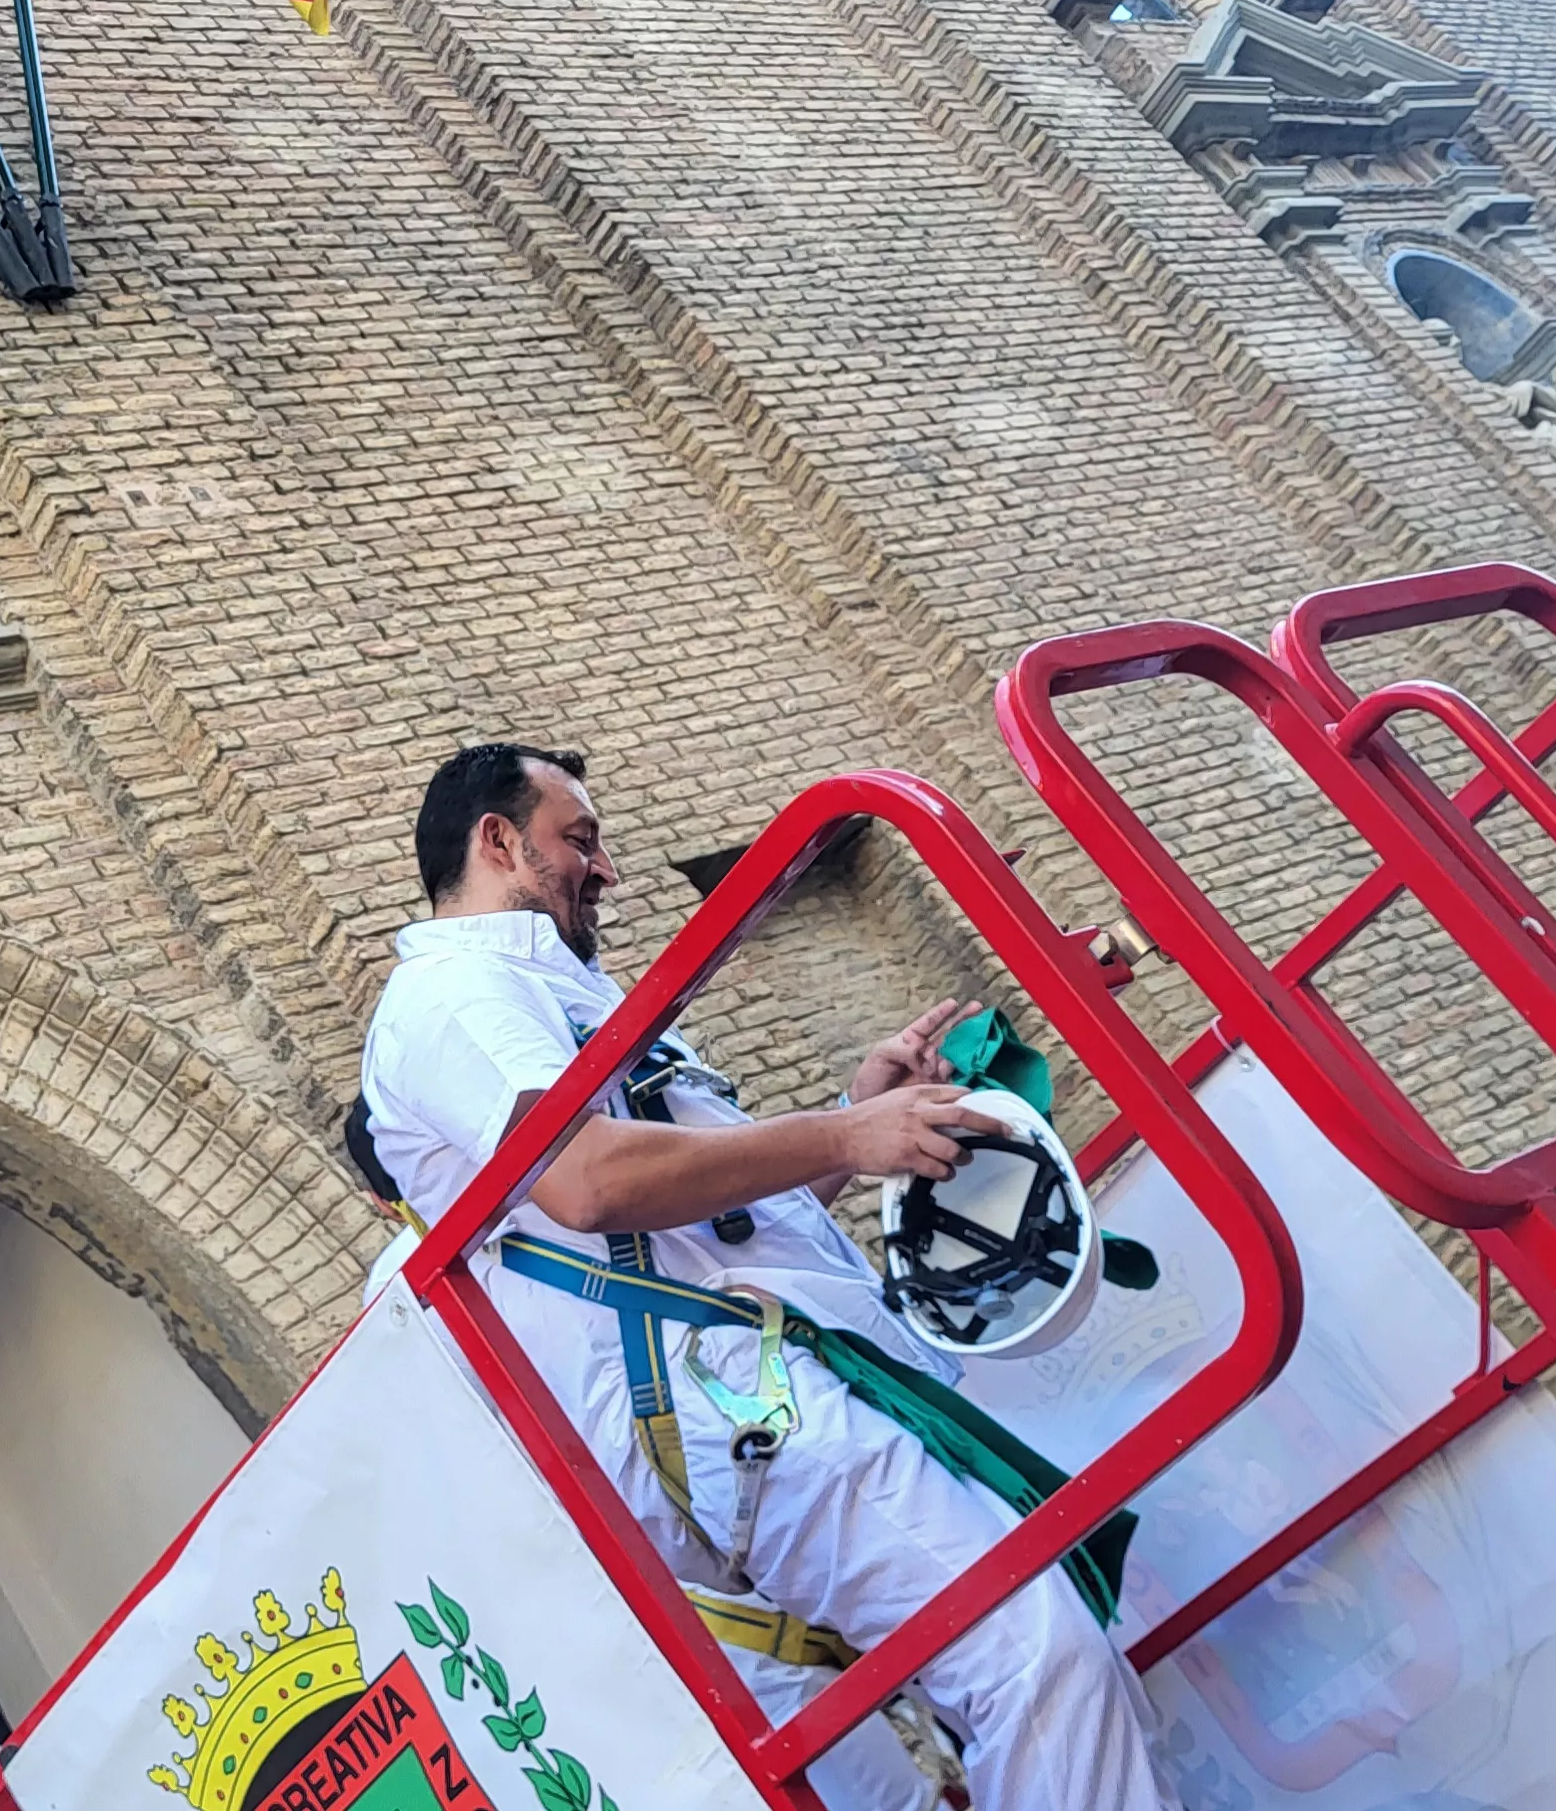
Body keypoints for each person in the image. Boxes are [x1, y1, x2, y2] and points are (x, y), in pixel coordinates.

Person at [356, 744, 1179, 1811]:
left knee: (1029, 1673)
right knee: (1035, 1659)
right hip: (739, 1412)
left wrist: (850, 1129)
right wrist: (843, 1129)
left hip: (763, 1391)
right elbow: (589, 1184)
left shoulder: (553, 993)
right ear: (497, 841)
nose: (606, 871)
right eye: (581, 839)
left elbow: (708, 1234)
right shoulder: (458, 991)